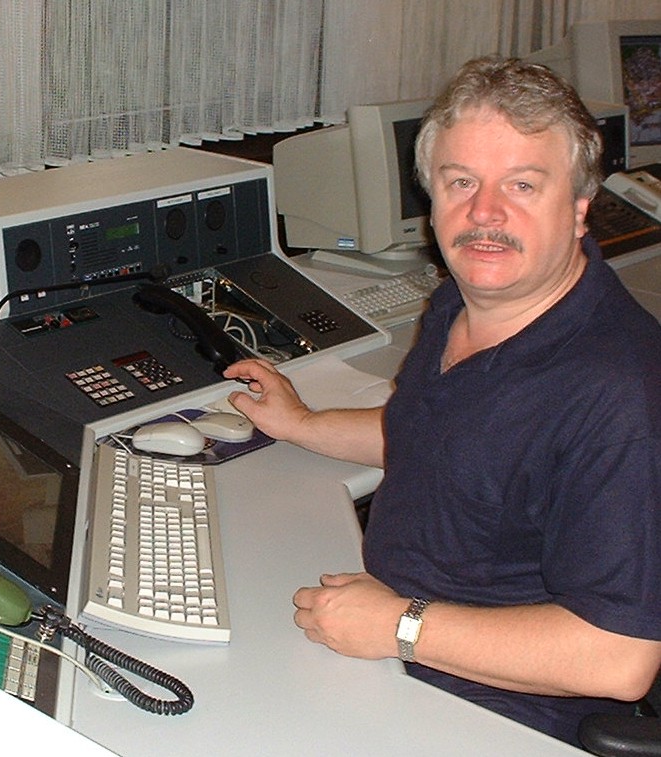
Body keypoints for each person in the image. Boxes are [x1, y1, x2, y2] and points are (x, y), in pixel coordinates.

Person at [224, 56, 661, 747]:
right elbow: (439, 434)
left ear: (580, 209)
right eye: (461, 182)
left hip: (489, 711)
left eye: (522, 184)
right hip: (388, 643)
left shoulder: (617, 397)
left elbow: (619, 659)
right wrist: (303, 424)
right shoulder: (462, 301)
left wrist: (398, 626)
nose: (484, 213)